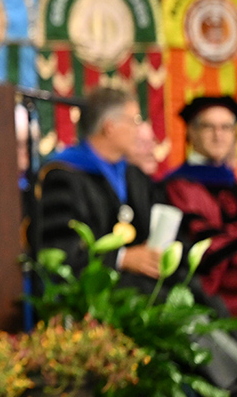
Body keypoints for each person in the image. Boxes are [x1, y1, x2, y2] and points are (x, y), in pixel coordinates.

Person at [35, 86, 163, 283]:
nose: (140, 131)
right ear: (110, 127)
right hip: (90, 299)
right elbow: (60, 252)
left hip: (141, 291)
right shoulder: (63, 176)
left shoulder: (134, 176)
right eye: (135, 121)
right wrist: (122, 259)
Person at [163, 95, 237, 316]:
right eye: (209, 127)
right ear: (191, 132)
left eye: (226, 127)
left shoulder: (231, 181)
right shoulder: (177, 185)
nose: (218, 135)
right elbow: (204, 245)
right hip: (209, 298)